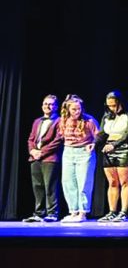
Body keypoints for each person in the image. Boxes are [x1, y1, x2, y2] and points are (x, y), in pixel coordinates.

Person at [96, 90, 128, 223]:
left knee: (125, 182)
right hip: (109, 149)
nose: (112, 108)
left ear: (121, 102)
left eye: (114, 105)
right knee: (112, 182)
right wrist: (93, 143)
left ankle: (123, 212)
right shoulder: (107, 116)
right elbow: (102, 133)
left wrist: (114, 144)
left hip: (125, 149)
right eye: (109, 106)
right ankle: (112, 212)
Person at [58, 94, 99, 223]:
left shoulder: (89, 120)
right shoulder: (63, 120)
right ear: (68, 109)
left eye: (79, 109)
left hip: (84, 152)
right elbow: (60, 136)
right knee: (68, 182)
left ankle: (82, 213)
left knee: (84, 182)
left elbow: (99, 135)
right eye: (74, 109)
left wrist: (94, 143)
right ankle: (73, 211)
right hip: (68, 152)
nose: (77, 112)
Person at [23, 94, 62, 223]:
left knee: (50, 186)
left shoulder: (59, 121)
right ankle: (39, 213)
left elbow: (58, 140)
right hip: (35, 158)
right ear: (42, 106)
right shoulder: (37, 121)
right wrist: (33, 151)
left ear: (56, 107)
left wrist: (42, 152)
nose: (47, 106)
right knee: (37, 186)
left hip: (50, 158)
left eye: (51, 104)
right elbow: (31, 139)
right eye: (45, 104)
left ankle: (52, 213)